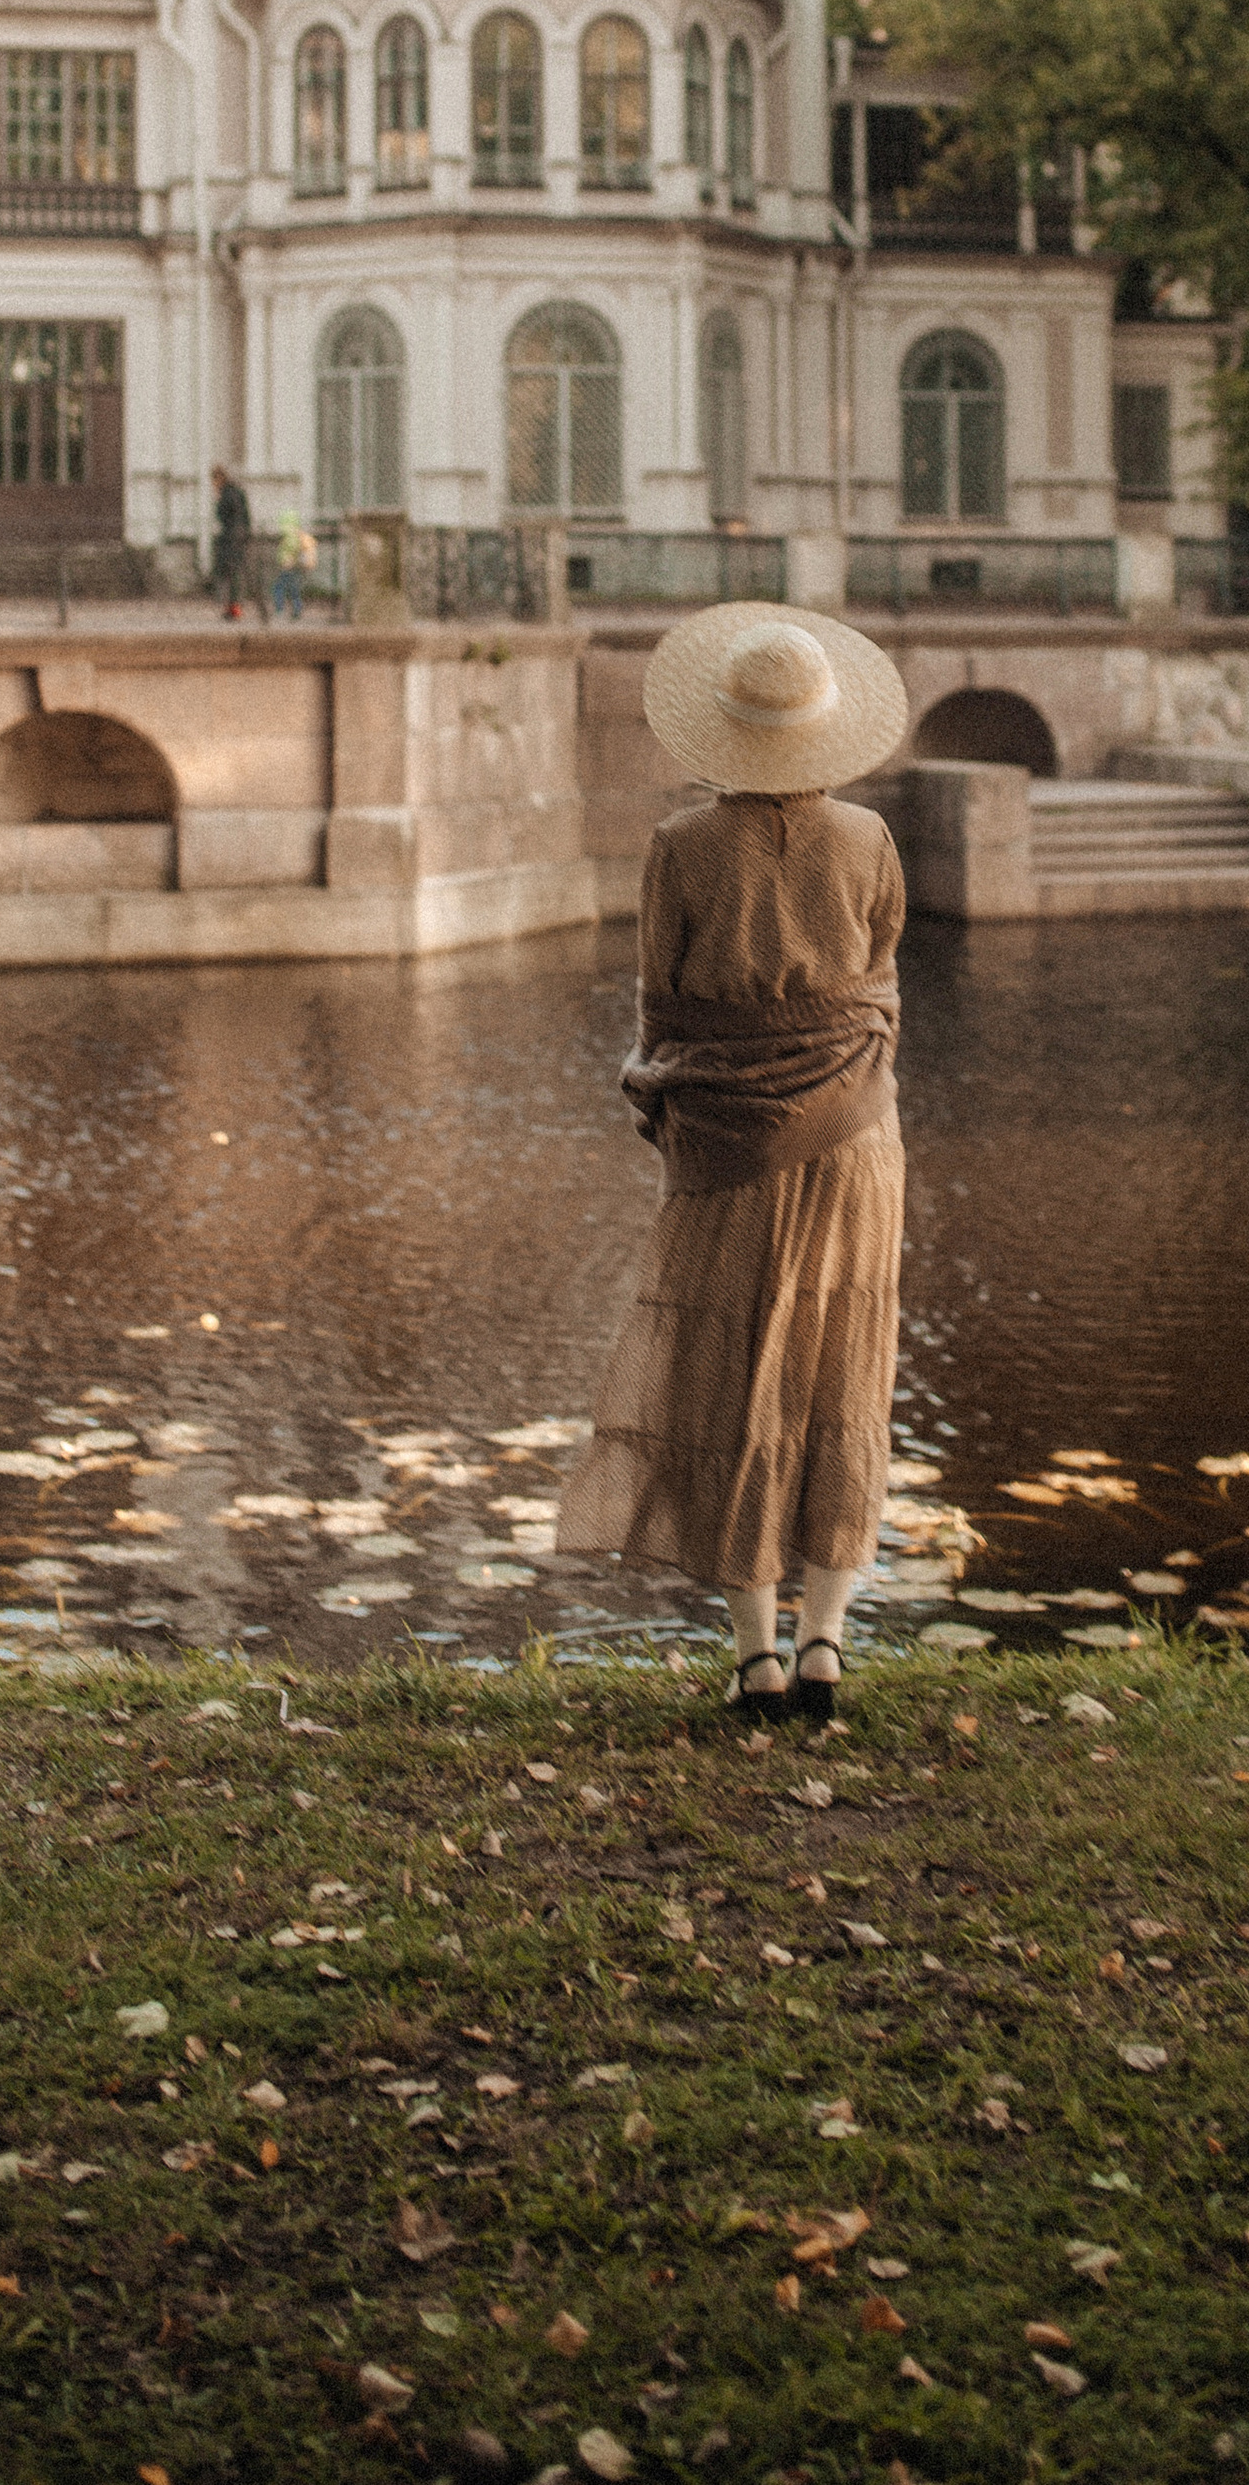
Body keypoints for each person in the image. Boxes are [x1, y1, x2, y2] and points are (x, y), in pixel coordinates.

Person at [556, 600, 910, 1729]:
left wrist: (680, 1106)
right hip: (855, 1140)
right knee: (845, 1370)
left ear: (726, 731)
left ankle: (756, 1659)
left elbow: (661, 1004)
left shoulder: (681, 846)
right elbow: (880, 976)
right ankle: (826, 1644)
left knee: (728, 1374)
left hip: (723, 1149)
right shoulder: (868, 839)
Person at [210, 464, 253, 621]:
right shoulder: (237, 492)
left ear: (219, 478)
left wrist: (218, 501)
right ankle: (233, 607)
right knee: (234, 574)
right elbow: (245, 516)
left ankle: (234, 608)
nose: (213, 485)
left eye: (214, 480)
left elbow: (223, 516)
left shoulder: (226, 494)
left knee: (230, 574)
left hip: (230, 539)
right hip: (238, 538)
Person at [270, 504, 315, 620]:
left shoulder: (290, 535)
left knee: (280, 588)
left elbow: (290, 551)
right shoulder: (297, 534)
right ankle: (295, 610)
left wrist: (288, 560)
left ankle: (281, 609)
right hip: (294, 566)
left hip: (289, 566)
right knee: (293, 589)